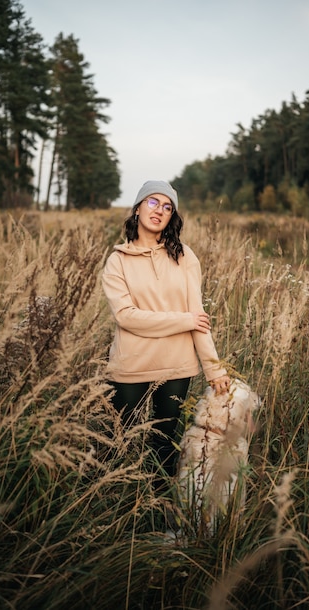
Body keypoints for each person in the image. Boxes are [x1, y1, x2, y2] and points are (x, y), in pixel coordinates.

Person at [102, 180, 230, 481]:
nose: (159, 210)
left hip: (176, 367)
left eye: (167, 207)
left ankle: (159, 513)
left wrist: (214, 370)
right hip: (131, 365)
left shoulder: (184, 256)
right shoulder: (117, 261)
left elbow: (199, 320)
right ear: (137, 209)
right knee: (114, 441)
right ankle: (108, 506)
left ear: (172, 217)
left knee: (165, 445)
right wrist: (182, 320)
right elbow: (126, 317)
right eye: (152, 202)